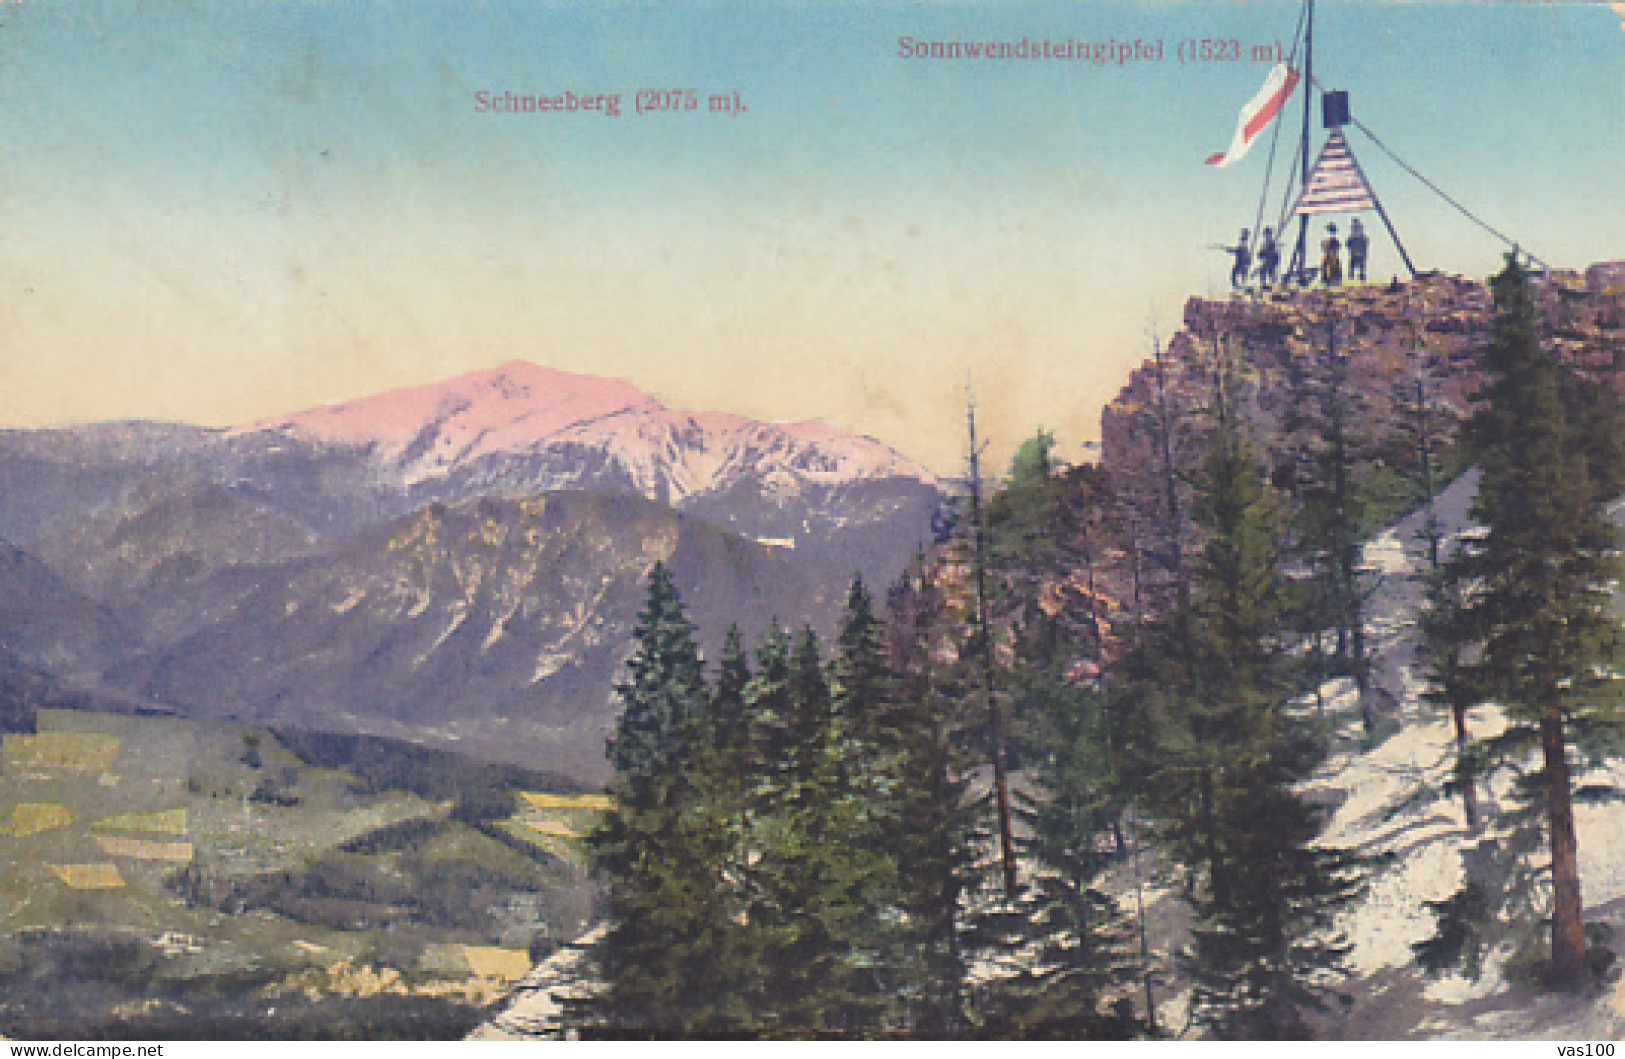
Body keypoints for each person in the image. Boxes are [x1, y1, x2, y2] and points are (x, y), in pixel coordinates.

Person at [1347, 218, 1370, 282]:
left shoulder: (1359, 238)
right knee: (1356, 266)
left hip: (1357, 252)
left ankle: (1358, 277)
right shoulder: (1355, 237)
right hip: (1356, 252)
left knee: (1359, 266)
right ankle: (1354, 277)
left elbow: (1348, 246)